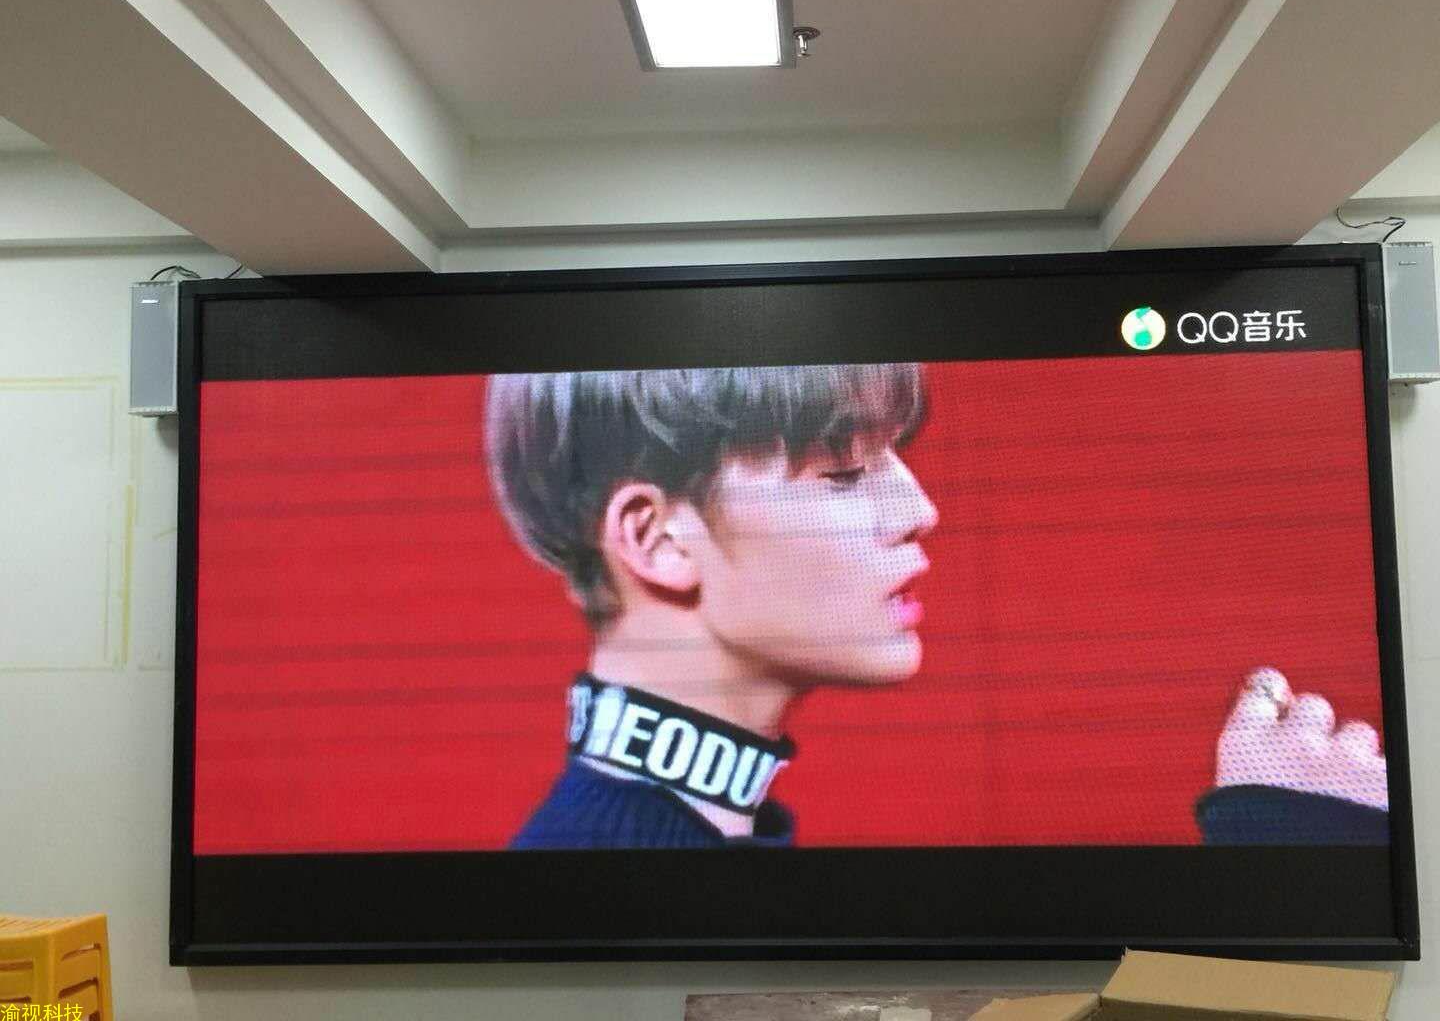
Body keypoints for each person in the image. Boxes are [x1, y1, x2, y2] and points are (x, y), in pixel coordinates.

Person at [485, 364, 1389, 849]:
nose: (921, 509)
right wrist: (1296, 852)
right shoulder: (600, 879)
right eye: (845, 474)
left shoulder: (680, 836)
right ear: (655, 539)